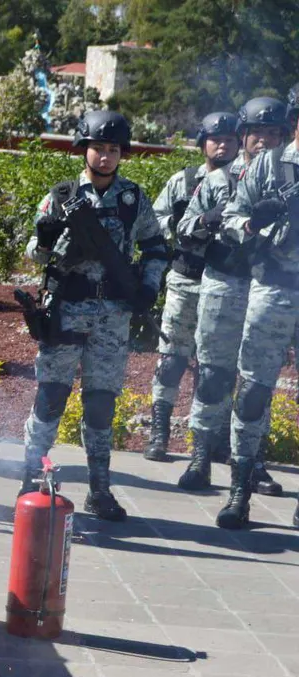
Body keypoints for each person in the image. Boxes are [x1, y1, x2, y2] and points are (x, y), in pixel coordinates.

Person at [17, 110, 168, 521]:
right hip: (66, 311)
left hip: (112, 316)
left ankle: (99, 490)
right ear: (84, 149)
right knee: (50, 397)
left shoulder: (132, 199)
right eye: (98, 148)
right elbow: (34, 252)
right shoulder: (62, 195)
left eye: (113, 149)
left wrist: (150, 287)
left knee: (101, 405)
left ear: (122, 154)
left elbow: (156, 248)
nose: (105, 156)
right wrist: (46, 238)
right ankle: (30, 477)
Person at [176, 97, 288, 497]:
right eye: (257, 133)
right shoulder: (222, 180)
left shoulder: (286, 180)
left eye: (274, 134)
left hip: (270, 289)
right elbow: (184, 229)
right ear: (243, 136)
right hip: (225, 283)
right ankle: (200, 457)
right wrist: (211, 220)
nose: (265, 141)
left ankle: (253, 463)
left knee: (258, 381)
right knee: (213, 374)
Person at [212, 94, 299, 528]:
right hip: (274, 289)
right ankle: (239, 492)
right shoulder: (268, 165)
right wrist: (252, 223)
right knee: (252, 393)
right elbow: (230, 217)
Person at [143, 112, 239, 461]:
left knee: (220, 366)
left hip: (229, 283)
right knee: (172, 359)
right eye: (216, 139)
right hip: (187, 279)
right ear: (203, 144)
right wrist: (193, 226)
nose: (223, 145)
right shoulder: (183, 182)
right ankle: (159, 432)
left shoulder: (245, 181)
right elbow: (154, 222)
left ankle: (215, 440)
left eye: (230, 138)